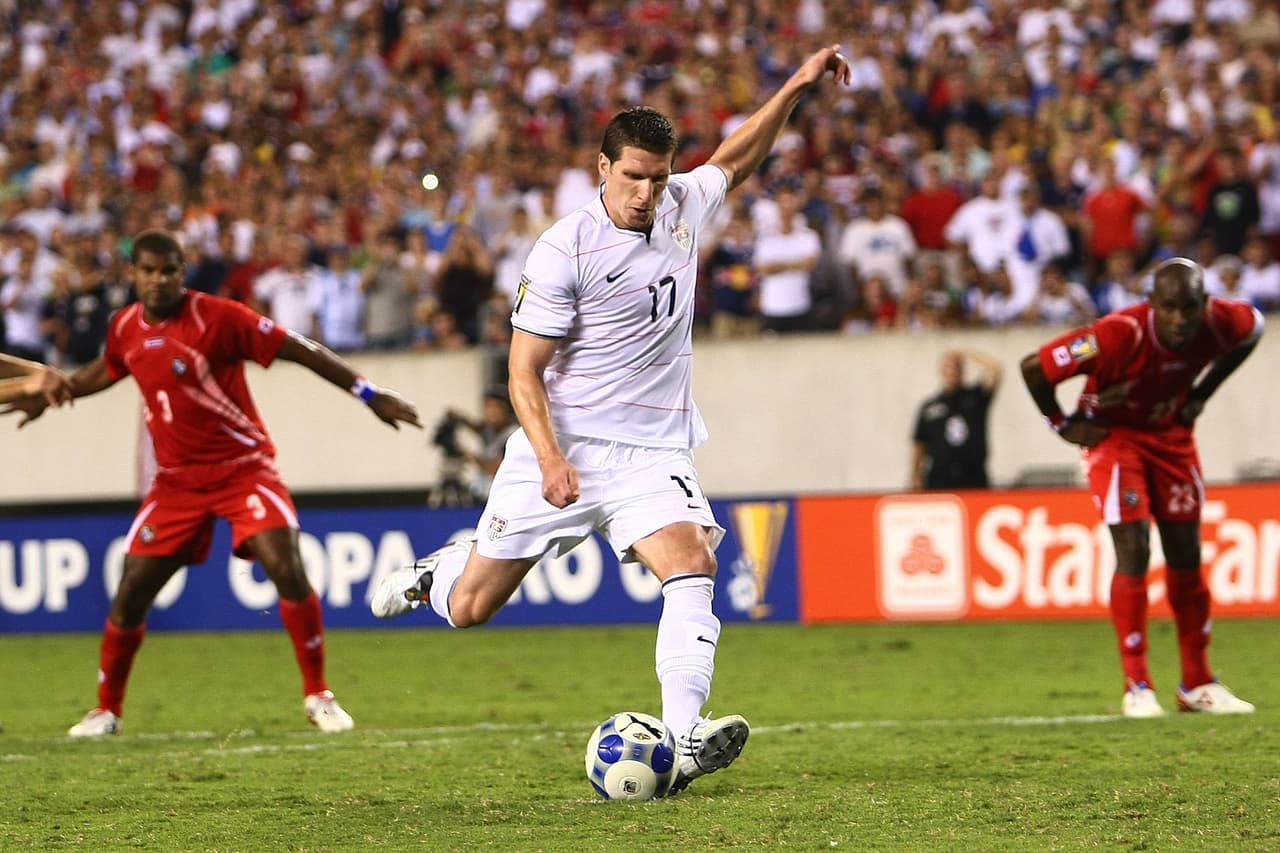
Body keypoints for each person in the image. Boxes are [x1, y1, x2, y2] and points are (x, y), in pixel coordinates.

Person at [371, 46, 853, 795]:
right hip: (557, 450)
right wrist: (552, 456)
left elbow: (738, 155)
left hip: (651, 449)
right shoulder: (566, 248)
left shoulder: (682, 204)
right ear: (602, 168)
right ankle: (443, 568)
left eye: (658, 179)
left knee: (692, 563)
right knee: (469, 608)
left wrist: (793, 86)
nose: (647, 194)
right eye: (632, 177)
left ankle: (684, 732)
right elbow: (522, 371)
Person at [6, 229, 422, 737]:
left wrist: (367, 392)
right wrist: (57, 391)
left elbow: (298, 347)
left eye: (170, 270)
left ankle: (319, 696)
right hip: (176, 482)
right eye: (150, 271)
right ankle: (106, 710)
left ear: (183, 272)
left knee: (284, 563)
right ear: (133, 275)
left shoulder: (218, 318)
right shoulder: (125, 328)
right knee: (132, 590)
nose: (160, 280)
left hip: (242, 466)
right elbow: (108, 371)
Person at [1019, 257, 1262, 719]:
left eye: (1189, 308)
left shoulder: (1222, 321)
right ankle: (1138, 686)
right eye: (1169, 307)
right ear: (1150, 304)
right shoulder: (1117, 334)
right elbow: (1035, 367)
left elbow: (1254, 329)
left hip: (1171, 439)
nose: (1179, 319)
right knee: (1134, 550)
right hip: (1114, 439)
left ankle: (1197, 683)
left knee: (1187, 556)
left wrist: (1201, 395)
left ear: (1204, 304)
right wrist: (1063, 425)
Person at [910, 349, 1002, 491]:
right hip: (940, 477)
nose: (952, 371)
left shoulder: (975, 397)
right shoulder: (930, 407)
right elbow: (919, 444)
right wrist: (915, 474)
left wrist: (965, 353)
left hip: (972, 476)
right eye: (948, 367)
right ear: (941, 371)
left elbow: (994, 368)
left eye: (956, 366)